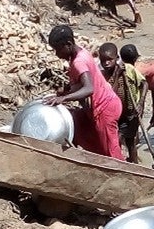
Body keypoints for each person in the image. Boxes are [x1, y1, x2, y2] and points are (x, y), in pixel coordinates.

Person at [44, 25, 124, 160]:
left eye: (58, 49)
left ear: (68, 45)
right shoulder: (80, 52)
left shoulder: (78, 61)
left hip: (105, 108)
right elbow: (81, 82)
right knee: (86, 133)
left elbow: (88, 88)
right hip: (101, 105)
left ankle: (125, 176)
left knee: (112, 153)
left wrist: (64, 99)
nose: (56, 54)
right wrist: (64, 92)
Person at [99, 42, 146, 163]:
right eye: (103, 60)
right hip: (115, 116)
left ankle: (135, 167)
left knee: (130, 142)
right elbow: (110, 95)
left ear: (117, 58)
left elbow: (144, 84)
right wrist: (116, 74)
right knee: (117, 139)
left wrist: (140, 103)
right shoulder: (103, 76)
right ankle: (119, 163)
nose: (106, 63)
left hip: (131, 113)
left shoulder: (128, 70)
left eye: (110, 60)